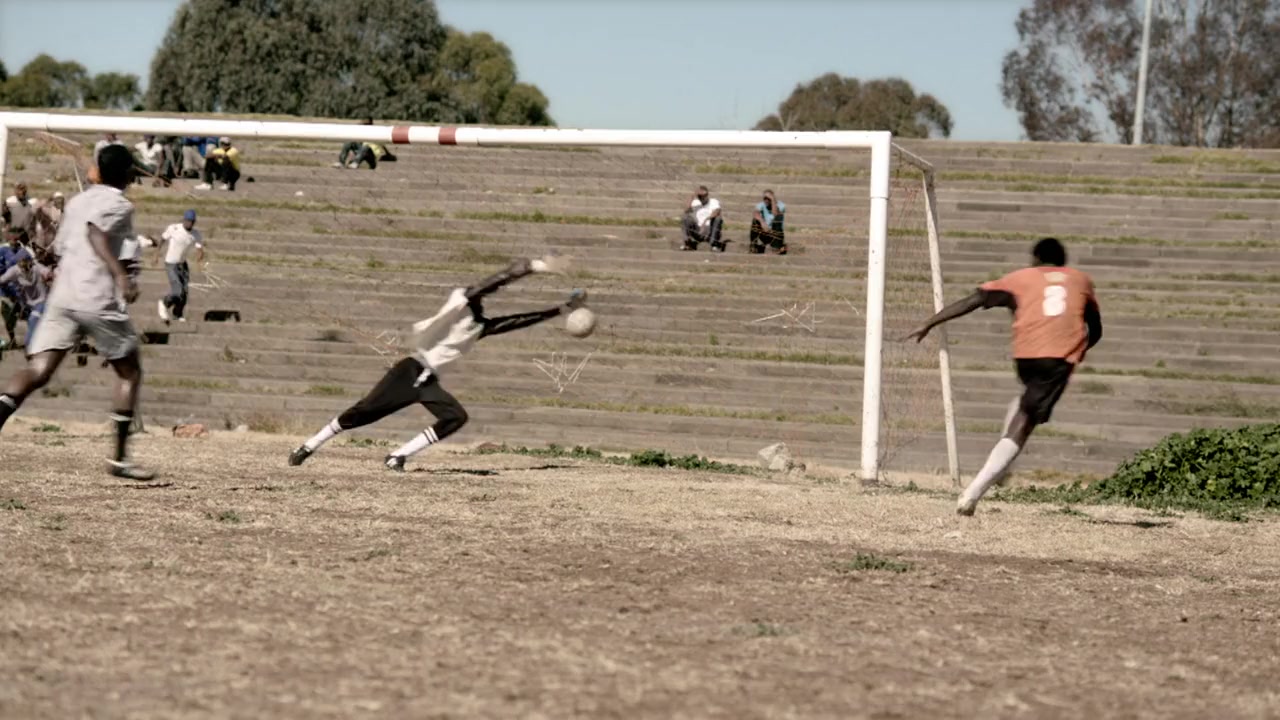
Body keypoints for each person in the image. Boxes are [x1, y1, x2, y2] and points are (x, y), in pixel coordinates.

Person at [289, 255, 583, 471]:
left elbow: (517, 321)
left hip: (428, 381)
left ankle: (397, 457)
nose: (481, 296)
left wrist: (562, 309)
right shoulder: (462, 300)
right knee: (363, 412)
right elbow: (492, 283)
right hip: (410, 371)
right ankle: (308, 446)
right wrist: (532, 267)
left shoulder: (478, 326)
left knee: (455, 417)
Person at [904, 237, 1102, 516]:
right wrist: (1076, 350)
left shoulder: (1020, 278)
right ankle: (973, 493)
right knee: (1024, 423)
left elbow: (974, 300)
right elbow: (1095, 329)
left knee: (1025, 402)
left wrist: (929, 322)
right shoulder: (1081, 280)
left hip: (1026, 357)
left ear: (1035, 259)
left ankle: (1001, 461)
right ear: (1063, 261)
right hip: (1057, 359)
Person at [0, 144, 154, 481]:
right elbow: (95, 234)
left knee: (39, 369)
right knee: (129, 372)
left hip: (63, 295)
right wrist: (121, 276)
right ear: (127, 173)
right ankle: (119, 459)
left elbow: (61, 247)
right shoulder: (120, 205)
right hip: (95, 296)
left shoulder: (78, 201)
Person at [155, 209, 205, 324]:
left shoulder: (196, 234)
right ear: (183, 220)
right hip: (171, 263)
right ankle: (164, 303)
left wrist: (200, 257)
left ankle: (177, 314)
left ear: (194, 222)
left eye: (191, 221)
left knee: (184, 292)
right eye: (187, 220)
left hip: (182, 264)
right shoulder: (174, 228)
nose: (188, 223)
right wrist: (156, 254)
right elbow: (163, 239)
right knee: (177, 290)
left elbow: (199, 249)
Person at [0, 251, 53, 351]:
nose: (22, 264)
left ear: (30, 261)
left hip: (43, 300)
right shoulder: (15, 270)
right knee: (33, 324)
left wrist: (49, 275)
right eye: (20, 262)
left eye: (24, 261)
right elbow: (2, 279)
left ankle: (29, 346)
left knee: (33, 320)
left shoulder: (37, 267)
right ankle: (43, 345)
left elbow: (48, 273)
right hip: (28, 303)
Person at [681, 185, 724, 252]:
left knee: (718, 219)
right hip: (698, 230)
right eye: (700, 196)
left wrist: (706, 220)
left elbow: (717, 211)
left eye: (704, 196)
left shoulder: (713, 201)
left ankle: (713, 245)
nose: (702, 198)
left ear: (707, 195)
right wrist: (692, 196)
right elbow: (686, 210)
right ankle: (687, 243)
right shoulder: (696, 203)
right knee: (686, 218)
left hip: (709, 229)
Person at [750, 190, 787, 255]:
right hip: (765, 232)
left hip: (776, 234)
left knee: (778, 218)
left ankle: (776, 247)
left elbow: (775, 214)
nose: (766, 200)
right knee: (755, 220)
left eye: (768, 198)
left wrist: (772, 200)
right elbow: (755, 213)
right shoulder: (762, 204)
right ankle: (754, 246)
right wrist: (762, 222)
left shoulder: (781, 205)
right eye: (765, 198)